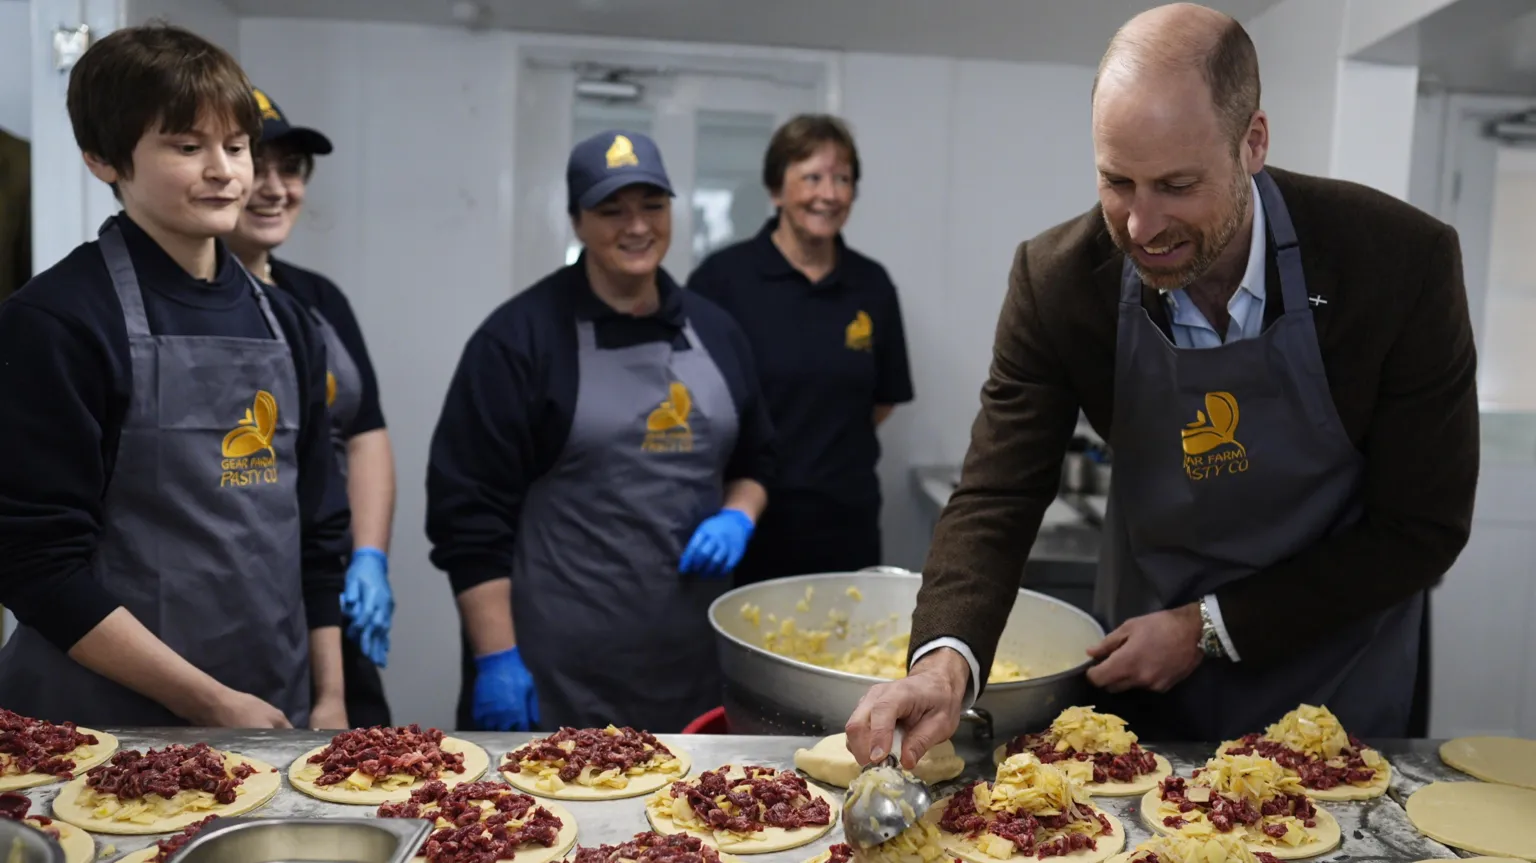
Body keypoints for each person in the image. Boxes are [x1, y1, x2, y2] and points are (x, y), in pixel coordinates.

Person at [846, 1, 1478, 764]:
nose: (1142, 226)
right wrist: (945, 661)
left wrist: (1208, 626)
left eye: (1177, 185)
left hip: (1340, 673)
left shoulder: (1396, 265)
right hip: (1150, 684)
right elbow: (999, 489)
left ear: (1253, 143)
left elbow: (1423, 527)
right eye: (1118, 182)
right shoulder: (1060, 281)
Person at [0, 24, 351, 729]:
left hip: (266, 704)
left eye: (236, 145)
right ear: (104, 159)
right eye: (187, 147)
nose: (223, 170)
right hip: (101, 723)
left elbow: (320, 530)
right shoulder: (59, 319)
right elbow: (37, 564)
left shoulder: (288, 322)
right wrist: (209, 702)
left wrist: (331, 695)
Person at [426, 130, 775, 733]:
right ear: (577, 221)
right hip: (559, 670)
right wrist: (497, 658)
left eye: (652, 206)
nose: (636, 226)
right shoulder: (518, 341)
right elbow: (467, 517)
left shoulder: (717, 332)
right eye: (611, 210)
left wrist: (738, 515)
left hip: (689, 666)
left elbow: (758, 458)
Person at [225, 87, 396, 728]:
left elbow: (365, 432)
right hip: (244, 587)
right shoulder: (194, 310)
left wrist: (370, 558)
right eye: (257, 166)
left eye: (290, 170)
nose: (274, 189)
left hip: (330, 583)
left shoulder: (318, 298)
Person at [688, 115, 913, 583]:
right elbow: (694, 400)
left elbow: (883, 399)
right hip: (747, 523)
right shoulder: (721, 281)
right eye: (811, 177)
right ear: (776, 190)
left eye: (842, 179)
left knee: (847, 651)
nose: (828, 194)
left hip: (844, 523)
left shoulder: (871, 285)